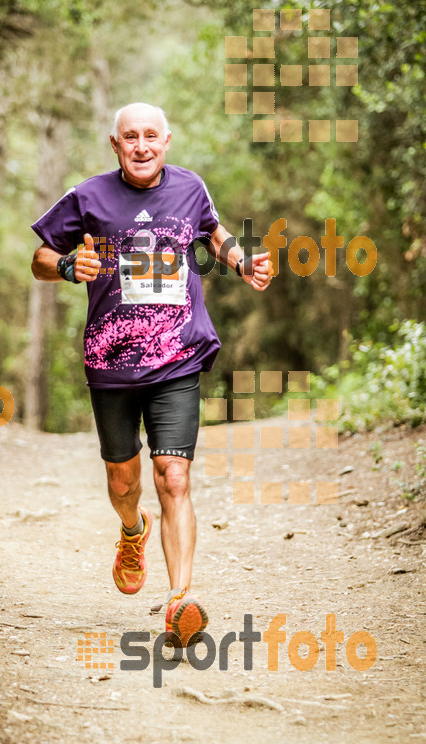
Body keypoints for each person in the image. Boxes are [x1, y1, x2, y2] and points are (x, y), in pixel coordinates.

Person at [31, 102, 273, 647]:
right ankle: (132, 529)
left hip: (177, 358)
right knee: (124, 484)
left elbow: (214, 232)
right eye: (130, 137)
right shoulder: (87, 197)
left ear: (167, 141)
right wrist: (70, 265)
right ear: (115, 145)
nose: (141, 146)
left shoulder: (190, 187)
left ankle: (180, 600)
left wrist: (243, 260)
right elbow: (41, 257)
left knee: (175, 476)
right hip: (112, 364)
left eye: (151, 137)